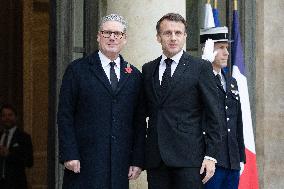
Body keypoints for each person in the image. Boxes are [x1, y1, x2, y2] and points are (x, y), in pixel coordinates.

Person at [57, 14, 146, 189]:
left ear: (124, 39)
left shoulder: (134, 76)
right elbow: (65, 115)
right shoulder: (77, 70)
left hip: (119, 166)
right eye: (107, 33)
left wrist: (137, 160)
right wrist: (69, 153)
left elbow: (139, 121)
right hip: (84, 163)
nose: (112, 37)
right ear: (98, 36)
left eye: (117, 33)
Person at [142, 13, 221, 189]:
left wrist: (211, 156)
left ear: (185, 36)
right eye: (167, 33)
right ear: (158, 37)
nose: (173, 38)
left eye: (178, 33)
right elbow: (143, 113)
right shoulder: (148, 69)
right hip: (156, 159)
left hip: (189, 159)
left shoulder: (200, 68)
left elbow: (214, 115)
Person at [200, 27, 246, 189]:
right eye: (220, 48)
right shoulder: (199, 79)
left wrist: (241, 156)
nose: (226, 53)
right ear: (207, 49)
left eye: (227, 48)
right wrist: (204, 67)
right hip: (209, 159)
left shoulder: (231, 81)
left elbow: (237, 121)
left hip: (231, 159)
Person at [0, 104, 33, 189]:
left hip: (16, 184)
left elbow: (29, 162)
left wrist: (9, 155)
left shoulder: (23, 137)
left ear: (16, 117)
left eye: (10, 115)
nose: (7, 118)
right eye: (4, 115)